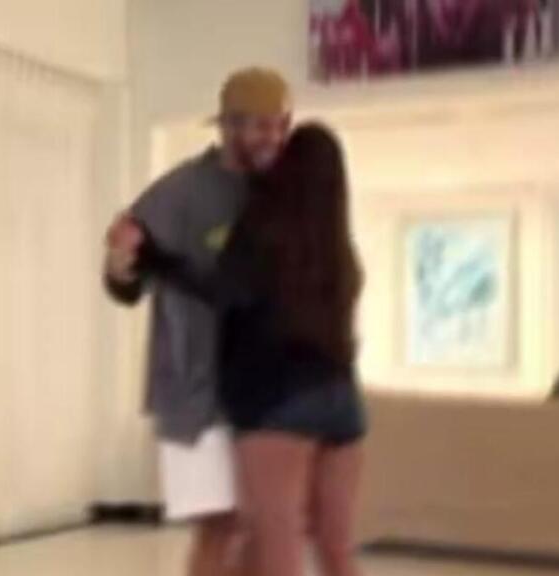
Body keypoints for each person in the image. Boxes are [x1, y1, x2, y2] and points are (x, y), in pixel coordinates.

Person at [134, 123, 367, 576]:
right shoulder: (341, 254)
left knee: (278, 549)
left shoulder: (267, 234)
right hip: (344, 405)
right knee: (337, 549)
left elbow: (219, 289)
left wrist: (154, 259)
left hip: (279, 402)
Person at [103, 67, 292, 576]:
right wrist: (120, 263)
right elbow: (125, 283)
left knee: (258, 529)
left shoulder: (278, 193)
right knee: (219, 527)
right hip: (196, 395)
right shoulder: (181, 192)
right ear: (228, 126)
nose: (274, 138)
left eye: (281, 125)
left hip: (261, 393)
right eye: (261, 126)